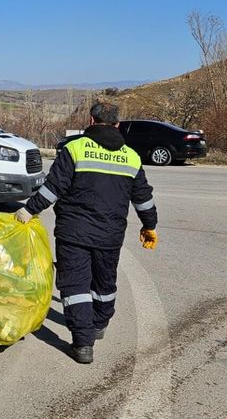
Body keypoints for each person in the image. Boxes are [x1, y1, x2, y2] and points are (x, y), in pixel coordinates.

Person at [16, 102, 158, 364]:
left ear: (91, 121)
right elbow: (142, 197)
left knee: (75, 286)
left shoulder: (75, 149)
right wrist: (149, 225)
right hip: (110, 235)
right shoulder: (131, 156)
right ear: (117, 125)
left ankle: (83, 344)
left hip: (73, 234)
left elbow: (52, 189)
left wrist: (29, 210)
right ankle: (99, 323)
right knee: (104, 284)